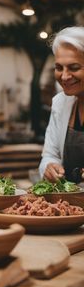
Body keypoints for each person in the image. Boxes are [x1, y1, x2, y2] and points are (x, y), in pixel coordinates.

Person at [39, 26, 84, 183]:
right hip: (69, 205)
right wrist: (50, 166)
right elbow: (50, 155)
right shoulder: (60, 103)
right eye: (59, 68)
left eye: (74, 68)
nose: (64, 76)